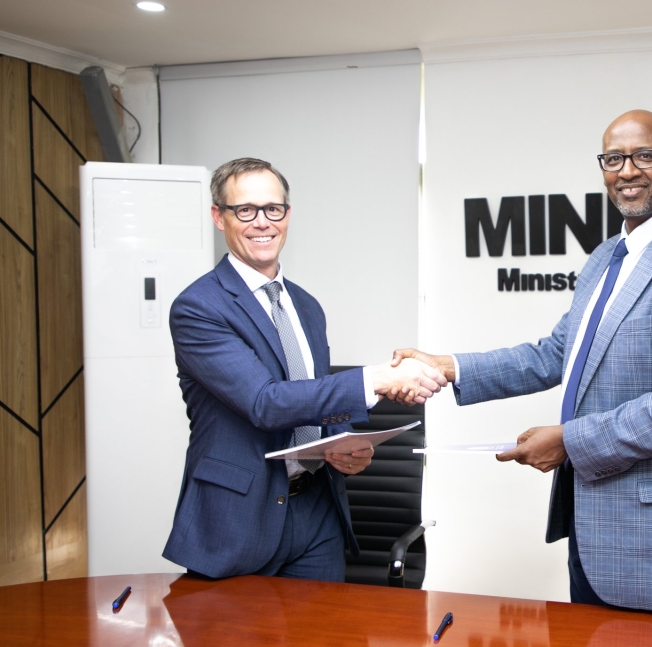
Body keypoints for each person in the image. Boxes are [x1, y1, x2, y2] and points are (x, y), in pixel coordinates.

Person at [393, 110, 652, 622]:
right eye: (613, 158)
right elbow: (556, 352)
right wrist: (449, 365)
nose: (627, 170)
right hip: (597, 526)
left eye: (645, 155)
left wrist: (569, 440)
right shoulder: (607, 256)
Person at [163, 157, 446, 581]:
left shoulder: (306, 306)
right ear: (218, 218)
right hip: (238, 516)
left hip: (317, 514)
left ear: (288, 215)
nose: (262, 222)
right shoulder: (199, 308)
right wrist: (379, 378)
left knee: (319, 646)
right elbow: (266, 402)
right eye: (246, 210)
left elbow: (311, 396)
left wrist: (342, 445)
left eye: (273, 209)